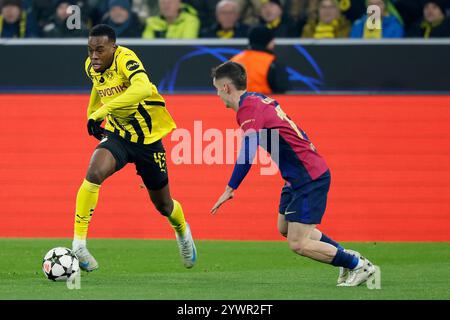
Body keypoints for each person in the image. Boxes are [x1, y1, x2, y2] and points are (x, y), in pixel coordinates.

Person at [210, 61, 376, 287]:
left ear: (226, 87)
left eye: (217, 89)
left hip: (309, 177)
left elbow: (248, 151)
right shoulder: (255, 100)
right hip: (296, 177)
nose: (217, 95)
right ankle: (344, 258)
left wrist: (230, 188)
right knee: (285, 228)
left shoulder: (248, 108)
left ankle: (357, 264)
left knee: (298, 243)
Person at [73, 24, 197, 271]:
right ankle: (79, 244)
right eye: (90, 50)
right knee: (94, 173)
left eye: (100, 50)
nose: (94, 56)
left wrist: (103, 111)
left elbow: (141, 87)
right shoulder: (92, 67)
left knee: (164, 206)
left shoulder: (125, 59)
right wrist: (91, 113)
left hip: (148, 141)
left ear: (113, 48)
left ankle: (182, 231)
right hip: (119, 135)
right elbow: (98, 87)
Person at [230, 26, 290, 94]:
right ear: (267, 41)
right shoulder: (272, 62)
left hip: (236, 103)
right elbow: (282, 90)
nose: (274, 43)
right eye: (272, 40)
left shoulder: (234, 60)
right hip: (263, 103)